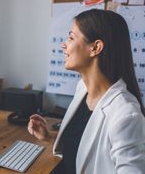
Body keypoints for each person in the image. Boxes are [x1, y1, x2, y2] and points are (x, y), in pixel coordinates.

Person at [28, 9, 145, 174]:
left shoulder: (126, 115)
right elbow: (86, 151)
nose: (64, 44)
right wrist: (49, 137)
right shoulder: (82, 88)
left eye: (71, 37)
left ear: (95, 47)